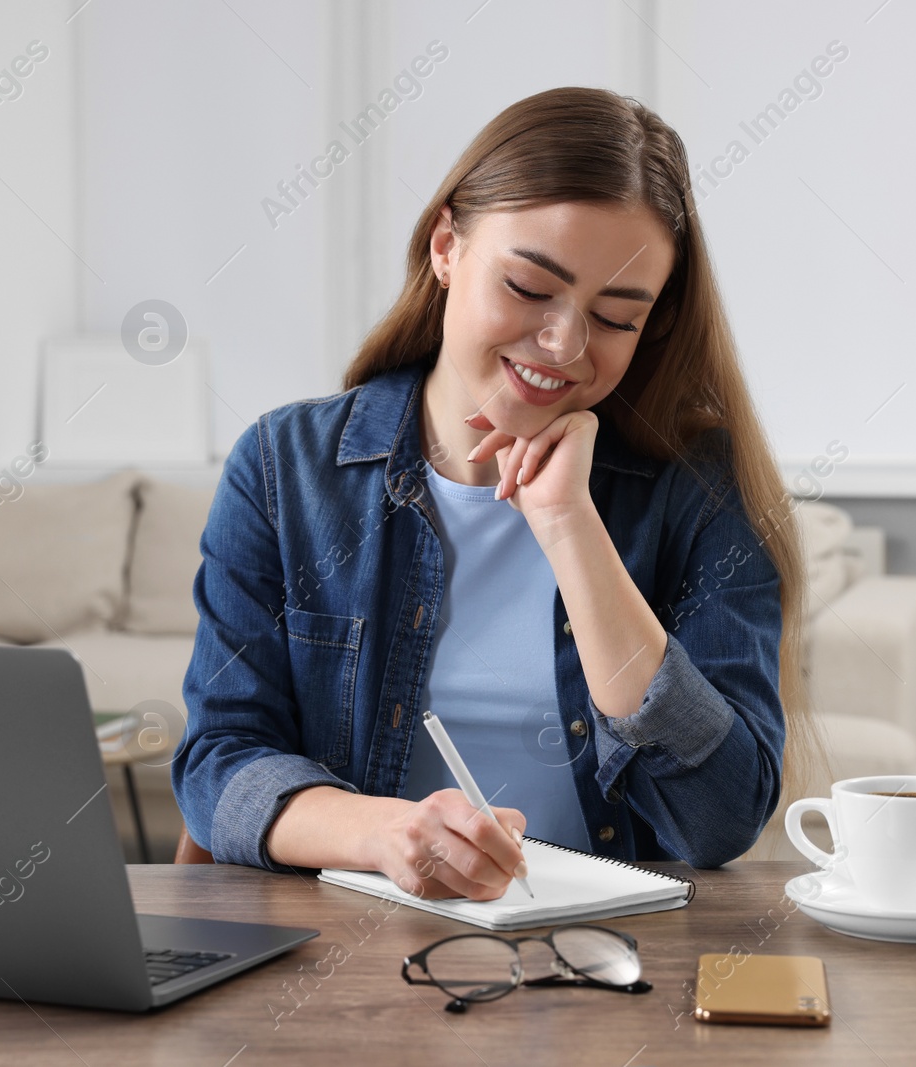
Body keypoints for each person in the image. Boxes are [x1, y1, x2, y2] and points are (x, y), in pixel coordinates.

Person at [171, 87, 823, 900]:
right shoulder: (285, 466)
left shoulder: (696, 488)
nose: (564, 344)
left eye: (616, 318)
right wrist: (382, 831)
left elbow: (720, 819)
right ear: (447, 245)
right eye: (529, 286)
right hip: (352, 958)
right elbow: (219, 760)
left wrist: (569, 526)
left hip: (614, 967)